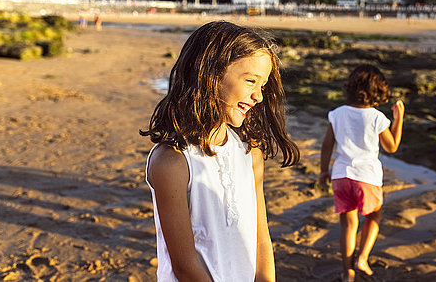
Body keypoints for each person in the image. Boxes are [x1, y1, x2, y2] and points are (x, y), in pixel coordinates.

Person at [140, 21, 299, 281]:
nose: (258, 96)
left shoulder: (250, 153)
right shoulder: (173, 161)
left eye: (263, 85)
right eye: (250, 81)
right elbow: (185, 266)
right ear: (208, 75)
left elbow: (261, 238)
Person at [319, 64, 404, 282]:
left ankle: (347, 271)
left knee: (348, 224)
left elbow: (327, 145)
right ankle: (362, 258)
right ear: (377, 92)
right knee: (374, 215)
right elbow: (392, 146)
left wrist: (323, 171)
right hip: (367, 177)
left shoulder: (336, 114)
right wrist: (399, 119)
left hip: (341, 175)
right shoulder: (377, 118)